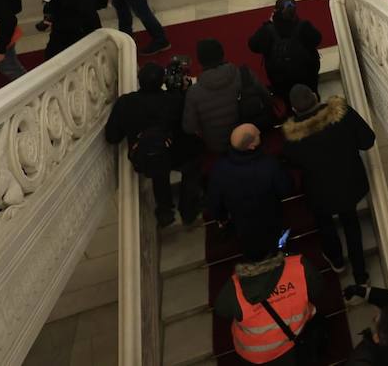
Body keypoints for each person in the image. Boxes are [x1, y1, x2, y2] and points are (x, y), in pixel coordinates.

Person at [282, 85, 375, 284]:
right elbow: (367, 140)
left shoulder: (292, 138)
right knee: (351, 224)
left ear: (294, 109)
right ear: (316, 97)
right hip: (349, 183)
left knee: (324, 224)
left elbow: (291, 163)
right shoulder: (342, 114)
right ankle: (360, 274)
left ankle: (337, 261)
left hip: (318, 190)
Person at [105, 61, 201, 227]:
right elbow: (188, 125)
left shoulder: (125, 103)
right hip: (176, 152)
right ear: (162, 81)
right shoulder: (174, 101)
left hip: (146, 158)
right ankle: (188, 210)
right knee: (191, 163)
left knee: (158, 169)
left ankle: (164, 210)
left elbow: (112, 136)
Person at [213, 247, 326, 365]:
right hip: (296, 346)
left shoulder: (233, 288)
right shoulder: (299, 266)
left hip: (255, 357)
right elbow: (317, 289)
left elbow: (221, 310)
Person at [207, 123, 293, 258]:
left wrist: (222, 218)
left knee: (253, 255)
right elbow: (285, 189)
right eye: (258, 135)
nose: (260, 133)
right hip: (271, 218)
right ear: (251, 146)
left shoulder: (219, 170)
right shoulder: (269, 165)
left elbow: (215, 203)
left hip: (242, 226)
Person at [247, 0, 321, 108]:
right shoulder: (304, 26)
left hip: (281, 81)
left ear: (275, 11)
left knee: (288, 102)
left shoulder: (267, 31)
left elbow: (252, 46)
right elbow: (317, 39)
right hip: (307, 76)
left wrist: (268, 23)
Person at [182, 38, 243, 157]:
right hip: (246, 133)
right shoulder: (242, 74)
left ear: (200, 61)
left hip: (217, 145)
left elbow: (189, 127)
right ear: (222, 54)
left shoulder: (193, 92)